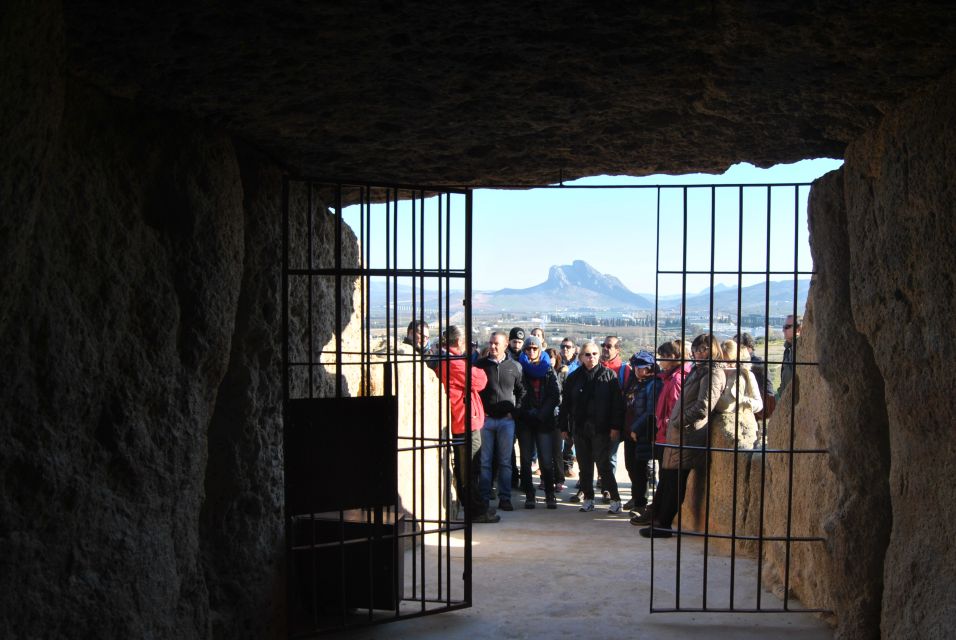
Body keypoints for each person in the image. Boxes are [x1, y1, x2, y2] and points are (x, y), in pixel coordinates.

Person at [639, 334, 726, 538]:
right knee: (668, 479)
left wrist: (678, 421)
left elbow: (703, 406)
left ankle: (664, 525)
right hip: (679, 434)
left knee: (675, 482)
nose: (699, 353)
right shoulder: (699, 370)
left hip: (689, 434)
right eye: (696, 350)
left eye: (704, 349)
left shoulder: (713, 373)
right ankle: (659, 521)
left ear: (713, 349)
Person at [435, 325, 498, 523]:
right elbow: (480, 381)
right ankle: (476, 511)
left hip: (464, 418)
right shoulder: (452, 362)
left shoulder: (448, 360)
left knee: (470, 468)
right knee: (469, 469)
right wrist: (475, 370)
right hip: (464, 420)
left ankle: (476, 507)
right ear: (460, 342)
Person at [559, 341, 625, 514]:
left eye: (595, 354)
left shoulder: (608, 375)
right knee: (585, 466)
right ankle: (588, 498)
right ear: (581, 357)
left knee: (604, 465)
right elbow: (565, 404)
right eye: (587, 354)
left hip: (601, 429)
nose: (592, 357)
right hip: (580, 428)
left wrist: (615, 427)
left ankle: (615, 499)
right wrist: (564, 427)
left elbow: (617, 405)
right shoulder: (573, 378)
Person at [632, 340, 691, 525]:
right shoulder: (669, 377)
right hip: (665, 435)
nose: (659, 361)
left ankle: (661, 521)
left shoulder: (676, 379)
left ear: (672, 357)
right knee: (664, 481)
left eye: (662, 356)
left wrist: (663, 427)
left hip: (669, 437)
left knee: (668, 481)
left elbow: (674, 410)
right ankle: (656, 516)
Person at [475, 332, 524, 512]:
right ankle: (485, 499)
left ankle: (505, 498)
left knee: (505, 462)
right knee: (485, 462)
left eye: (496, 344)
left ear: (505, 346)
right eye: (490, 343)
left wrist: (515, 412)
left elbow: (521, 391)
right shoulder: (480, 365)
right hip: (486, 421)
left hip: (506, 421)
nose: (492, 347)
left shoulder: (514, 367)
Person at [516, 336, 561, 508]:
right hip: (526, 421)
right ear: (524, 350)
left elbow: (555, 395)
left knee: (545, 459)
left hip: (544, 421)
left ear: (540, 349)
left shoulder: (548, 370)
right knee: (526, 460)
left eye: (535, 348)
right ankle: (529, 494)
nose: (531, 351)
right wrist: (526, 412)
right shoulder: (519, 368)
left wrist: (542, 413)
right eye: (528, 349)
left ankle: (550, 494)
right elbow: (517, 393)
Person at [621, 350, 663, 513]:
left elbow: (650, 411)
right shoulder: (635, 382)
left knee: (640, 469)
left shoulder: (654, 384)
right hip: (629, 431)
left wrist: (635, 429)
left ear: (651, 367)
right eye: (636, 367)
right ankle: (636, 496)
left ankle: (640, 503)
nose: (638, 370)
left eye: (642, 367)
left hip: (642, 433)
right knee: (630, 466)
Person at [714, 340, 763, 450]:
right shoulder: (714, 375)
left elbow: (759, 405)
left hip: (743, 428)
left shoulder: (746, 375)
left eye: (731, 361)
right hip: (719, 430)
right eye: (723, 361)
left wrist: (742, 400)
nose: (727, 365)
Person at [735, 332, 776, 419]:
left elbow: (756, 367)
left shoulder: (756, 362)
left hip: (763, 402)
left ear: (748, 347)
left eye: (737, 346)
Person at [778, 314, 801, 400]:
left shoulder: (801, 349)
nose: (783, 330)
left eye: (787, 327)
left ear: (798, 329)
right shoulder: (788, 349)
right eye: (784, 326)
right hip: (788, 400)